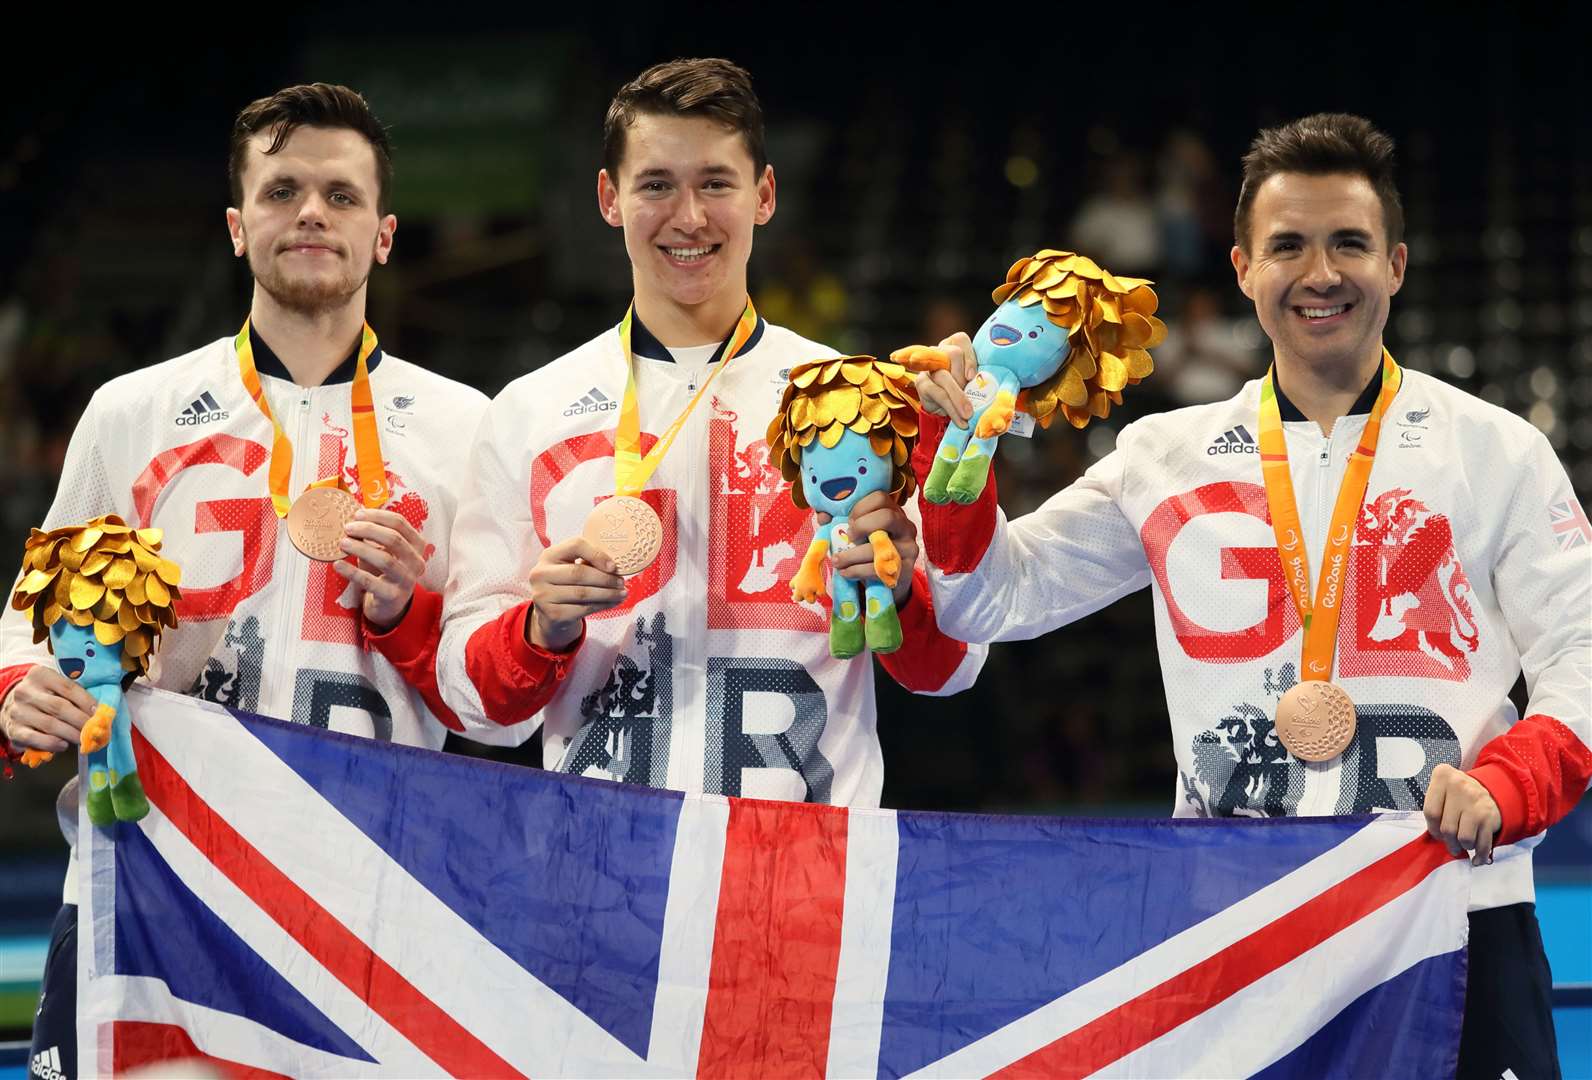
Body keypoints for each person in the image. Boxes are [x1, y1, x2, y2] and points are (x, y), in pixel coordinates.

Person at [913, 113, 1588, 1078]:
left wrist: (1510, 780)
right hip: (1239, 924)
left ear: (1395, 263)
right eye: (1289, 246)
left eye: (1349, 243)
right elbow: (991, 601)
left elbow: (1583, 649)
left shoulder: (1496, 449)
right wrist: (964, 446)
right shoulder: (1162, 457)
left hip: (1451, 912)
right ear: (1242, 268)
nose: (1321, 273)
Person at [0, 83, 493, 1080]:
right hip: (147, 879)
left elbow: (498, 700)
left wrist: (413, 610)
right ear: (237, 225)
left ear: (385, 235)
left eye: (342, 196)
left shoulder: (470, 430)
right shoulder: (130, 414)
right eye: (283, 190)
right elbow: (32, 620)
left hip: (374, 897)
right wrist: (17, 690)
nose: (312, 212)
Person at [437, 58, 982, 805]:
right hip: (603, 871)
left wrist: (903, 594)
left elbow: (953, 667)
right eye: (656, 184)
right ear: (609, 198)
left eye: (715, 183)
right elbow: (474, 706)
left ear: (763, 195)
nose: (688, 216)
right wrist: (540, 627)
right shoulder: (529, 411)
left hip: (804, 877)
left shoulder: (860, 399)